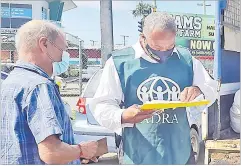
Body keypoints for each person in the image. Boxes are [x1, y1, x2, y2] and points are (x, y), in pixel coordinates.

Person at [90, 12, 218, 165]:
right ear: (142, 38)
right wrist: (123, 115)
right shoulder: (120, 63)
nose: (163, 53)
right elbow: (101, 105)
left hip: (181, 155)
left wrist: (198, 90)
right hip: (138, 156)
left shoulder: (186, 60)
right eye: (157, 47)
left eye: (169, 47)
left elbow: (212, 89)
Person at [0, 20, 98, 165]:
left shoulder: (9, 82)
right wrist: (82, 150)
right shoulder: (39, 86)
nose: (63, 56)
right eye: (61, 49)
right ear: (44, 44)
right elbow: (52, 153)